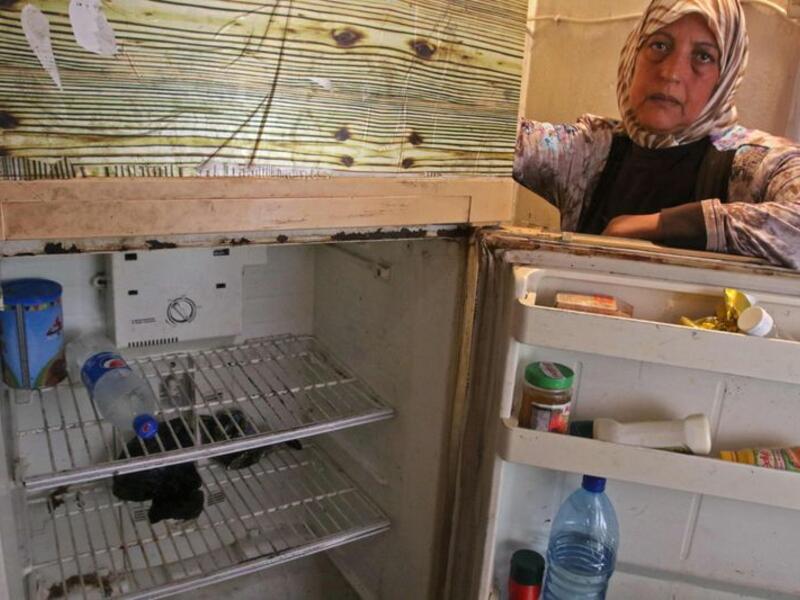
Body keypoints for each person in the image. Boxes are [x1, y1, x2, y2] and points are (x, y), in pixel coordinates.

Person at [513, 0, 800, 268]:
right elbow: (497, 138)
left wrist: (659, 225)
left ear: (724, 79)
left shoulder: (750, 162)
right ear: (633, 54)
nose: (671, 72)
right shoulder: (589, 150)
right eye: (659, 45)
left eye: (703, 56)